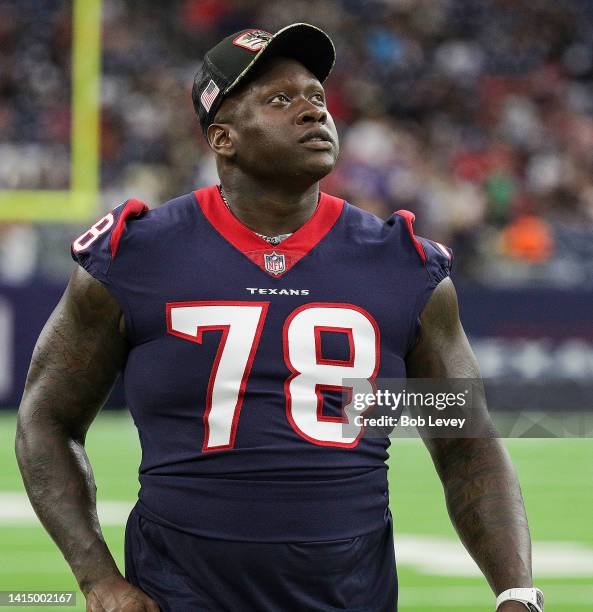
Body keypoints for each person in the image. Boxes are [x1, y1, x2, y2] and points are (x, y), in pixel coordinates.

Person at [16, 23, 544, 612]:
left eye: (317, 97)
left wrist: (515, 589)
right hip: (180, 595)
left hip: (351, 597)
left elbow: (464, 439)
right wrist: (98, 580)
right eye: (280, 100)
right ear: (223, 138)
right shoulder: (137, 257)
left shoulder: (400, 264)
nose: (313, 112)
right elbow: (47, 420)